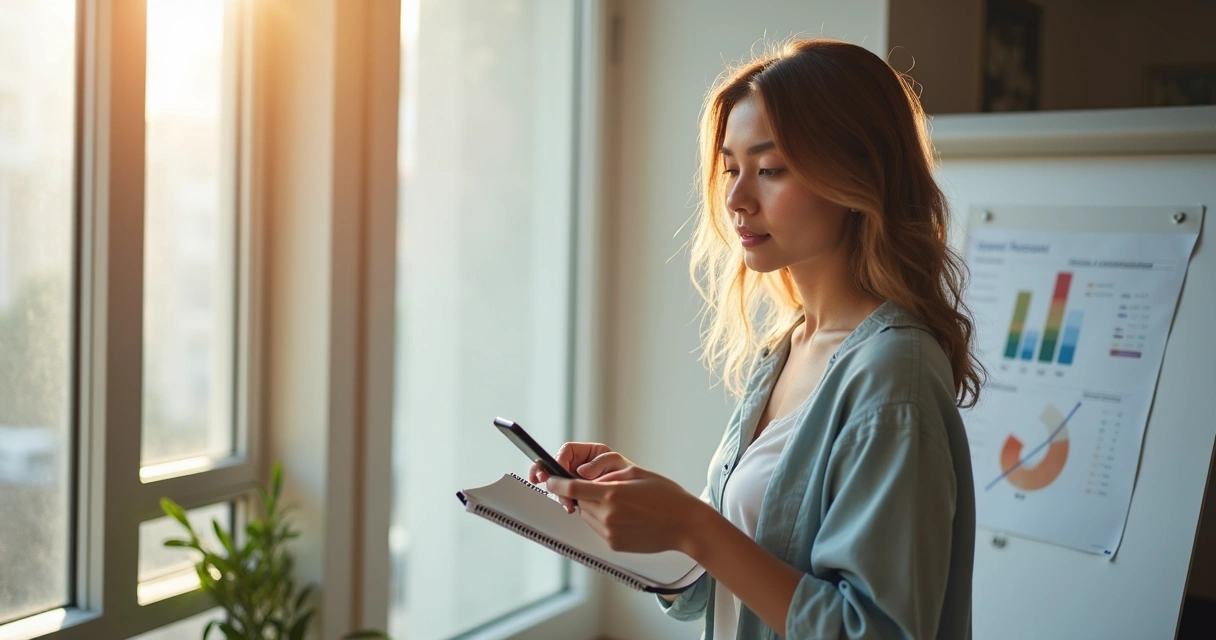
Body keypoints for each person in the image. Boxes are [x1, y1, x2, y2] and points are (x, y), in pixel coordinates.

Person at [531, 38, 983, 640]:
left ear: (857, 176)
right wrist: (647, 511)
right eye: (730, 169)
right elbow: (720, 587)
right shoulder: (787, 350)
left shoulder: (892, 373)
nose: (738, 200)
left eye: (769, 170)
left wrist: (695, 526)